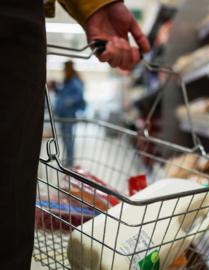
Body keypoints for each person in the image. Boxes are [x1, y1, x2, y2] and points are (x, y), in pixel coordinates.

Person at [0, 0, 150, 269]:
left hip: (17, 23)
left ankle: (68, 160)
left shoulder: (74, 83)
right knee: (10, 193)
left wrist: (94, 6)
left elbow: (75, 101)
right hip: (16, 22)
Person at [52, 60, 85, 167]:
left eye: (64, 69)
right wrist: (56, 88)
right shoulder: (67, 81)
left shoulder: (74, 81)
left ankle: (70, 161)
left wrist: (67, 102)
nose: (63, 71)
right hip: (62, 115)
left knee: (68, 138)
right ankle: (68, 159)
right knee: (65, 138)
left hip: (68, 115)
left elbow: (79, 97)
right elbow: (62, 94)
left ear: (68, 69)